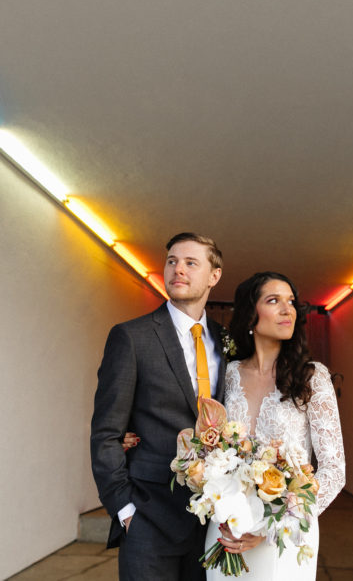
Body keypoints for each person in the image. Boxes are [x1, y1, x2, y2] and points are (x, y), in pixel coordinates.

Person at [90, 232, 227, 581]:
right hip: (148, 517)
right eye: (172, 261)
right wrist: (124, 509)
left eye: (191, 263)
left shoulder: (228, 341)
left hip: (213, 521)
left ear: (214, 275)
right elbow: (106, 433)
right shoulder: (131, 337)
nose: (178, 269)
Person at [210, 271, 346, 580]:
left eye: (291, 302)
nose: (288, 310)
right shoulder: (228, 374)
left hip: (284, 537)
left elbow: (333, 470)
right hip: (227, 530)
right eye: (274, 301)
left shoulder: (312, 377)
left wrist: (271, 527)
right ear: (250, 314)